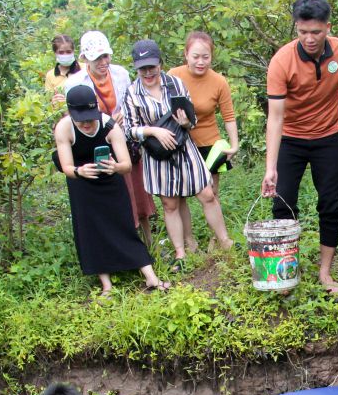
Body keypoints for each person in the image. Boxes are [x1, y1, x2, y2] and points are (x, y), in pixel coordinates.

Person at [261, 0, 338, 293]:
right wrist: (271, 168)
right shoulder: (282, 61)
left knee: (330, 205)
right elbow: (275, 118)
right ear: (296, 28)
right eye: (302, 31)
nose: (309, 38)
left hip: (328, 137)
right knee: (283, 204)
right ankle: (285, 272)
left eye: (315, 32)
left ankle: (325, 272)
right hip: (291, 139)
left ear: (328, 27)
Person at [123, 38, 233, 271]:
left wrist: (186, 121)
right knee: (170, 203)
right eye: (143, 68)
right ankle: (181, 252)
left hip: (184, 148)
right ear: (137, 68)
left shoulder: (175, 84)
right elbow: (129, 129)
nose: (148, 72)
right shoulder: (132, 93)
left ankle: (225, 241)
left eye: (152, 66)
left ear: (160, 64)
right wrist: (153, 131)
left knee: (207, 193)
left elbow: (191, 119)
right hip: (157, 155)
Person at [53, 84, 169, 295]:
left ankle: (151, 277)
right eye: (82, 120)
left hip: (111, 180)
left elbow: (126, 165)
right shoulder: (63, 128)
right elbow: (66, 166)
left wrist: (114, 166)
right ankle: (106, 284)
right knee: (91, 231)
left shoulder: (109, 126)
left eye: (90, 118)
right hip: (82, 185)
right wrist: (80, 171)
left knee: (123, 226)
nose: (87, 124)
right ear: (71, 114)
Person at [65, 31, 157, 246]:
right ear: (86, 58)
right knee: (120, 194)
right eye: (97, 58)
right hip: (99, 143)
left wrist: (125, 115)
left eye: (106, 56)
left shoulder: (121, 74)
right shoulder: (75, 83)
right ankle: (126, 241)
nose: (103, 62)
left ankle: (148, 240)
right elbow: (74, 118)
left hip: (126, 140)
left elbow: (131, 101)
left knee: (138, 192)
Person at [168, 31, 239, 253]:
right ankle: (189, 242)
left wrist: (234, 145)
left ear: (212, 56)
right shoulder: (173, 76)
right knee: (181, 195)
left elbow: (228, 116)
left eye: (205, 57)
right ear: (186, 54)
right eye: (196, 56)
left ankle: (216, 239)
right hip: (181, 141)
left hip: (209, 142)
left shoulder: (219, 81)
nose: (200, 62)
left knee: (211, 193)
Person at [44, 34, 82, 105]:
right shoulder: (50, 75)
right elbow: (48, 101)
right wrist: (54, 101)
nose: (65, 55)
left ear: (73, 51)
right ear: (55, 53)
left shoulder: (84, 69)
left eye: (68, 52)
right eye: (61, 52)